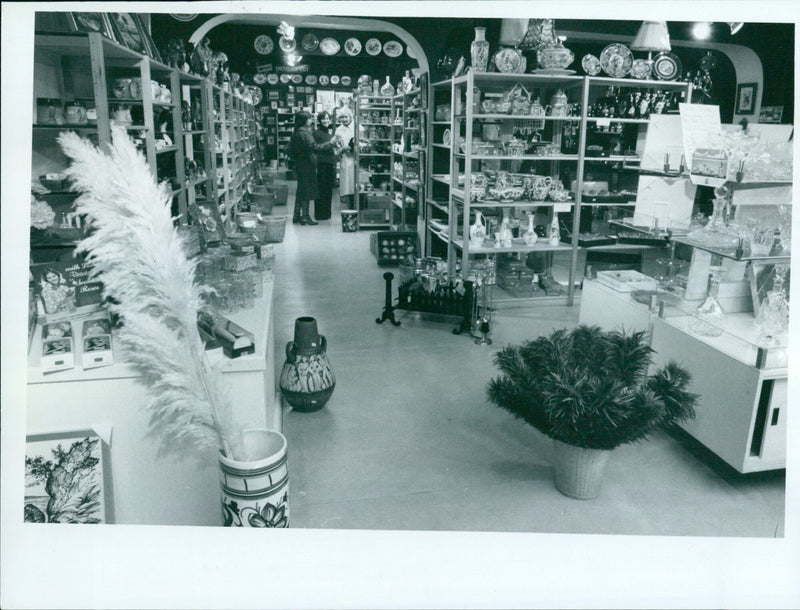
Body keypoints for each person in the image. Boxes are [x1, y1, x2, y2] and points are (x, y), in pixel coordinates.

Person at [288, 111, 334, 225]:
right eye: (309, 119)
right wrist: (330, 143)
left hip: (299, 164)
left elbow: (288, 149)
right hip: (307, 165)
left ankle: (296, 215)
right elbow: (315, 147)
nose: (311, 120)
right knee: (306, 191)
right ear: (303, 120)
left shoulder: (296, 133)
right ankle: (305, 217)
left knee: (300, 190)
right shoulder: (305, 134)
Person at [312, 111, 336, 221]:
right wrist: (331, 143)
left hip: (329, 164)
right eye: (323, 119)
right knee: (322, 189)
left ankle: (326, 214)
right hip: (321, 165)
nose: (326, 121)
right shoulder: (316, 133)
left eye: (328, 118)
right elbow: (316, 148)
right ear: (319, 120)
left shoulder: (330, 133)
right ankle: (320, 214)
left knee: (328, 190)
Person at [333, 107, 356, 209]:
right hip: (345, 159)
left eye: (346, 117)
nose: (344, 119)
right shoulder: (338, 129)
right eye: (342, 117)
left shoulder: (357, 127)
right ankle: (350, 206)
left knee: (355, 183)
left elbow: (365, 142)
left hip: (356, 159)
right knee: (347, 184)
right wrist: (340, 148)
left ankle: (356, 206)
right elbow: (336, 144)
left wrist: (353, 147)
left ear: (350, 116)